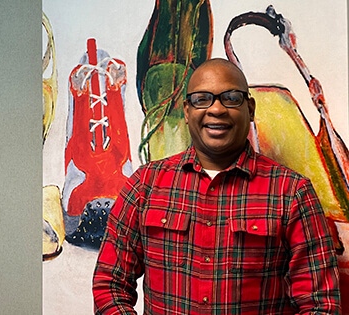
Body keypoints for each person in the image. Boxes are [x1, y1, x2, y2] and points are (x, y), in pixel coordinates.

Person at [92, 58, 341, 314]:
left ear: (251, 108)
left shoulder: (292, 193)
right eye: (202, 99)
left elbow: (320, 304)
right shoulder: (145, 186)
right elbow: (109, 285)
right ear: (187, 111)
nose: (217, 109)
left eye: (231, 98)